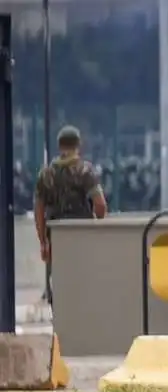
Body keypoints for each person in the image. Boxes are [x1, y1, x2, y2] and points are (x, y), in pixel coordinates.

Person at [34, 125, 108, 303]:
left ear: (60, 146)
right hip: (82, 235)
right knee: (85, 284)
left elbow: (39, 210)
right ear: (78, 145)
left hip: (56, 237)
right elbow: (100, 205)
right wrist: (98, 221)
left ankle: (59, 326)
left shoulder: (45, 174)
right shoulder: (85, 171)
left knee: (58, 287)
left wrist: (43, 242)